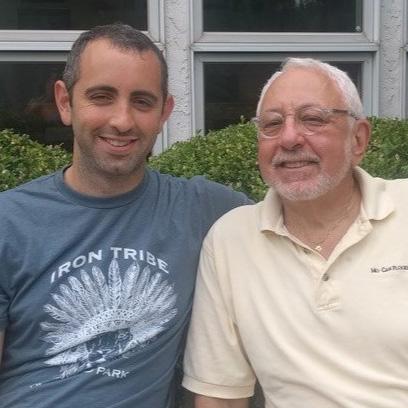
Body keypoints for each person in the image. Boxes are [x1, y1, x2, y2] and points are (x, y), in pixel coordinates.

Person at [0, 23, 251, 408]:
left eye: (142, 101)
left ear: (164, 112)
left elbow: (297, 224)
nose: (122, 120)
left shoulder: (203, 209)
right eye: (101, 97)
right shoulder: (9, 222)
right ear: (65, 102)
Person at [182, 57, 408, 408]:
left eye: (313, 119)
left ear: (358, 139)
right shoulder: (231, 241)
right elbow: (219, 396)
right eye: (272, 124)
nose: (289, 138)